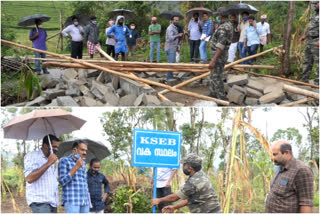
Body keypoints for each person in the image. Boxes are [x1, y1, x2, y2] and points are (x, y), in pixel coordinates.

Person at [151, 154, 221, 213]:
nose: (183, 167)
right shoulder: (201, 175)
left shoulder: (193, 182)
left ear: (190, 168)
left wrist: (159, 200)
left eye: (184, 164)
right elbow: (190, 200)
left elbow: (174, 198)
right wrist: (174, 207)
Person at [265, 140, 314, 213]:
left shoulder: (301, 170)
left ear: (287, 153)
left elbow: (306, 203)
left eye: (275, 155)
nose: (272, 158)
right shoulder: (282, 168)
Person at [24, 135, 61, 213]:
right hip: (40, 202)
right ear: (45, 146)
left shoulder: (52, 159)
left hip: (53, 202)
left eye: (57, 147)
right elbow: (29, 178)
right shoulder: (32, 156)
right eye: (54, 147)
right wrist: (48, 163)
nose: (56, 149)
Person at [59, 141, 90, 213]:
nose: (85, 152)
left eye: (86, 150)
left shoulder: (84, 163)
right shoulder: (64, 161)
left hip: (84, 201)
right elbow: (62, 181)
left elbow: (85, 183)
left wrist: (88, 200)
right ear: (75, 150)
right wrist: (76, 166)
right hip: (72, 200)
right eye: (82, 150)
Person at [208, 11, 233, 101]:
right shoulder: (228, 25)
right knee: (213, 75)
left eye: (218, 16)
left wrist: (214, 60)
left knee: (216, 76)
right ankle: (213, 94)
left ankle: (222, 98)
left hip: (219, 55)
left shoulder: (223, 27)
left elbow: (221, 45)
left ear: (221, 16)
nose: (218, 18)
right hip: (220, 54)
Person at [301, 1, 319, 85]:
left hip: (317, 40)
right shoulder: (314, 16)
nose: (315, 5)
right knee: (307, 61)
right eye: (314, 4)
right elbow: (309, 27)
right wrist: (304, 36)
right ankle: (304, 79)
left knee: (318, 62)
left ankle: (317, 82)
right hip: (309, 41)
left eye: (317, 3)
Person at [165, 16, 183, 80]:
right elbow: (171, 38)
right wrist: (178, 35)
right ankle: (169, 78)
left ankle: (170, 77)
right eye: (175, 20)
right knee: (171, 64)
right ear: (172, 21)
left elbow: (175, 41)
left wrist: (177, 48)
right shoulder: (170, 28)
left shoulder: (175, 28)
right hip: (170, 48)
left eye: (178, 20)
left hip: (173, 48)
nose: (177, 21)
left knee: (171, 63)